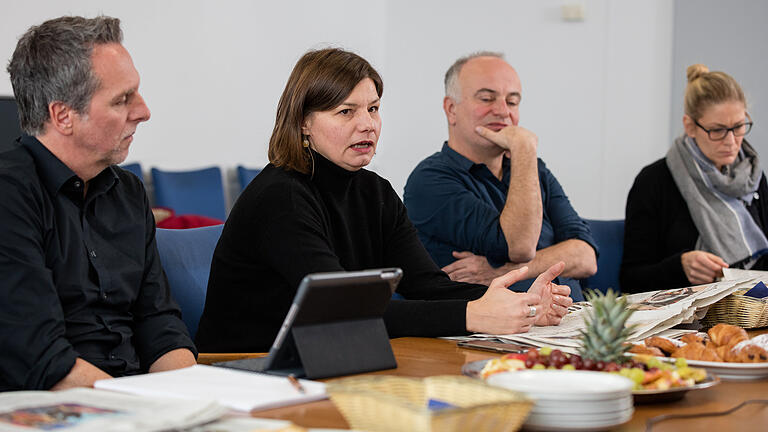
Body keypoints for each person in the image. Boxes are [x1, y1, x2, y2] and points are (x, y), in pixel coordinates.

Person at [195, 48, 573, 352]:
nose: (367, 124)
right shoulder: (281, 197)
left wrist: (521, 305)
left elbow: (428, 285)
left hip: (327, 356)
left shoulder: (375, 191)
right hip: (248, 367)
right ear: (303, 123)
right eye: (346, 112)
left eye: (373, 109)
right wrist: (472, 315)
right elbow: (345, 312)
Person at [0, 16, 196, 391]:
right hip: (58, 403)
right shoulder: (10, 194)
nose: (143, 111)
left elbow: (161, 326)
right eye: (123, 99)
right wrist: (143, 410)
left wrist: (193, 398)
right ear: (63, 116)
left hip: (130, 399)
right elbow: (42, 359)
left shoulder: (129, 192)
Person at [403, 52, 597, 301]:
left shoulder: (533, 169)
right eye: (487, 98)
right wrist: (524, 148)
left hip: (572, 322)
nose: (503, 111)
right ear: (451, 109)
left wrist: (505, 270)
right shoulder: (429, 180)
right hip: (489, 334)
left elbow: (585, 257)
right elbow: (519, 246)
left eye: (513, 101)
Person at [621, 64, 767, 293]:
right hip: (687, 319)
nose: (731, 141)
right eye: (717, 130)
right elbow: (630, 279)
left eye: (738, 127)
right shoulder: (654, 181)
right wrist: (680, 267)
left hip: (752, 310)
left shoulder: (753, 176)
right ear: (690, 126)